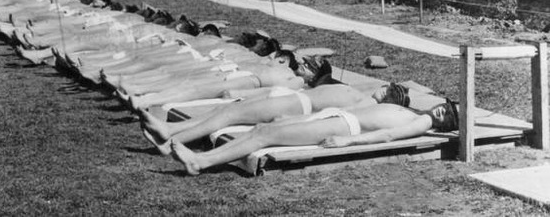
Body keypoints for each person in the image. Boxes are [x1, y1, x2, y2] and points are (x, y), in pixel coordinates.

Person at [169, 99, 459, 175]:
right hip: (339, 119)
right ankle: (201, 159)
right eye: (446, 106)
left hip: (345, 129)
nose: (443, 111)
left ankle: (200, 163)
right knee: (261, 131)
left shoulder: (421, 121)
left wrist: (349, 141)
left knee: (265, 134)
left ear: (446, 126)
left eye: (448, 115)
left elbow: (387, 135)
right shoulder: (414, 111)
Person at [140, 82, 411, 155]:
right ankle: (172, 131)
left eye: (389, 90)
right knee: (226, 112)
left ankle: (169, 140)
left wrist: (289, 120)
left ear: (389, 98)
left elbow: (327, 114)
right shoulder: (364, 96)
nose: (383, 87)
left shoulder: (365, 103)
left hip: (300, 106)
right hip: (299, 103)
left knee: (230, 114)